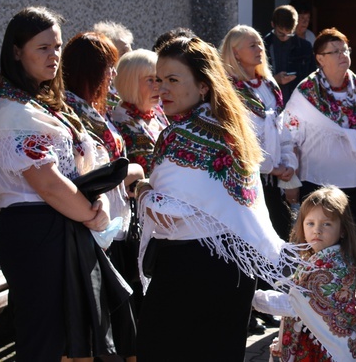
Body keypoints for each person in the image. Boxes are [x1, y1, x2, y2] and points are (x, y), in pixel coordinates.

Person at [135, 36, 301, 361]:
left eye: (173, 80)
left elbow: (166, 213)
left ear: (203, 87)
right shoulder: (231, 128)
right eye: (158, 79)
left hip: (189, 268)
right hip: (234, 268)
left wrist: (140, 187)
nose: (162, 89)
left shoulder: (178, 135)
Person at [0, 7, 131, 360]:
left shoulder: (38, 103)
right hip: (38, 230)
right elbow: (46, 183)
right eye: (42, 48)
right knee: (47, 337)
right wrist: (92, 215)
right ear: (16, 51)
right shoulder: (11, 110)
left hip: (57, 224)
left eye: (57, 47)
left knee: (69, 334)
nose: (54, 56)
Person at [62, 31, 143, 361]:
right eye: (109, 67)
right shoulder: (71, 112)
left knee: (122, 319)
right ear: (90, 69)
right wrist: (133, 172)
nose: (113, 74)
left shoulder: (95, 109)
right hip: (94, 226)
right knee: (104, 323)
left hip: (114, 225)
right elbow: (90, 171)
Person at [284, 28, 356, 261]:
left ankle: (348, 293)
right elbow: (287, 135)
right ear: (320, 58)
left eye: (345, 50)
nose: (343, 55)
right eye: (335, 51)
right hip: (321, 184)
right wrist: (289, 179)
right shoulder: (305, 94)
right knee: (321, 252)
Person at [252, 186, 356, 361]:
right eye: (310, 223)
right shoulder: (319, 258)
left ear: (342, 229)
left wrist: (253, 299)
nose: (317, 230)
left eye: (326, 224)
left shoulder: (332, 266)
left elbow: (294, 306)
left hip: (320, 350)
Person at [220, 25, 299, 239]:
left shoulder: (269, 85)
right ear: (235, 52)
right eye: (252, 45)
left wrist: (288, 162)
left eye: (260, 45)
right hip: (247, 181)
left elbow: (283, 128)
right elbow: (237, 140)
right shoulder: (229, 90)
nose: (260, 49)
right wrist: (270, 167)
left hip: (274, 181)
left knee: (282, 236)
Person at [111, 49, 169, 177]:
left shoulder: (156, 111)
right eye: (150, 80)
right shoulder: (123, 123)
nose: (157, 86)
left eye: (158, 79)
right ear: (131, 83)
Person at [263, 5, 315, 103]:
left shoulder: (305, 47)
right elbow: (253, 78)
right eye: (280, 33)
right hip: (271, 101)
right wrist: (274, 80)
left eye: (289, 33)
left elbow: (312, 77)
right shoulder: (262, 46)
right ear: (273, 24)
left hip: (298, 102)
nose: (285, 37)